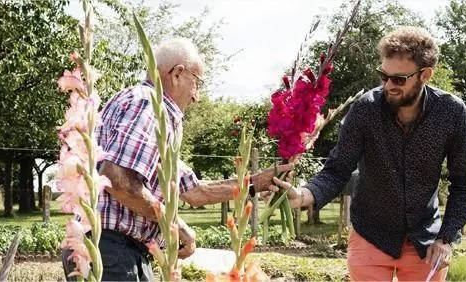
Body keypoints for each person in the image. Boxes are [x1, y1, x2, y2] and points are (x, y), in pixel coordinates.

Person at [61, 38, 293, 281]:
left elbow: (194, 191)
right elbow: (119, 179)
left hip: (117, 252)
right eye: (198, 83)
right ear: (177, 74)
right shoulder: (148, 104)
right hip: (111, 252)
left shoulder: (155, 117)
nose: (198, 97)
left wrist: (255, 183)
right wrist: (175, 226)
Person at [271, 26, 466, 281]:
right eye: (383, 76)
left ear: (425, 75)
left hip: (425, 240)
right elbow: (338, 168)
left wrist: (446, 238)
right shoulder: (365, 110)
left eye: (399, 79)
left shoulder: (451, 113)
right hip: (371, 235)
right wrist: (305, 195)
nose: (388, 85)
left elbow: (463, 183)